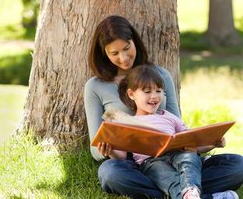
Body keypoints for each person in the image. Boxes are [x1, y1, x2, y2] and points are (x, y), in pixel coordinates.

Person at [84, 15, 243, 198]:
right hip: (137, 164)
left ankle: (179, 190)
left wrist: (205, 142)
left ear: (135, 41)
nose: (124, 57)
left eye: (127, 48)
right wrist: (108, 149)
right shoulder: (95, 86)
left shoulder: (160, 75)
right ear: (104, 53)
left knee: (238, 165)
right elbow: (95, 150)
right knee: (110, 173)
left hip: (176, 157)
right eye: (114, 53)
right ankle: (190, 191)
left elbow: (179, 128)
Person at [115, 64, 226, 198]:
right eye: (147, 91)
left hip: (179, 154)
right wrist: (110, 150)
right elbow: (120, 157)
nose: (154, 96)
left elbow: (192, 144)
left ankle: (191, 191)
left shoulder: (169, 116)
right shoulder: (129, 124)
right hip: (152, 162)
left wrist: (213, 143)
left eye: (158, 90)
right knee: (166, 177)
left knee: (190, 157)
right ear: (132, 94)